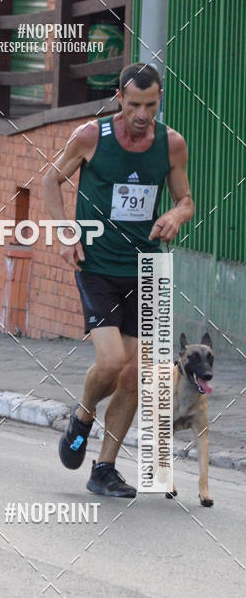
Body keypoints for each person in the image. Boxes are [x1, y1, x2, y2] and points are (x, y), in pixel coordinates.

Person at [44, 63, 194, 497]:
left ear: (159, 99)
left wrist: (176, 214)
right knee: (110, 362)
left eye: (151, 105)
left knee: (133, 375)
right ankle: (84, 415)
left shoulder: (171, 145)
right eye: (134, 105)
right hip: (98, 266)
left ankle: (104, 468)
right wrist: (65, 231)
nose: (142, 114)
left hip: (147, 268)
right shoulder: (92, 137)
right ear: (120, 98)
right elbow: (50, 180)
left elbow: (186, 199)